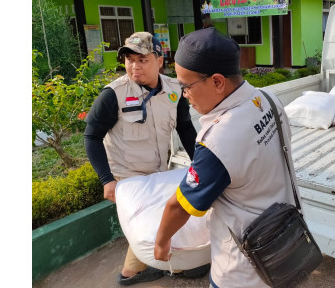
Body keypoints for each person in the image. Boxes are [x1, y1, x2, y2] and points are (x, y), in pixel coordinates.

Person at [152, 27, 302, 287]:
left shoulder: (219, 140)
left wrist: (161, 243)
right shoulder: (267, 98)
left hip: (246, 269)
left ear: (218, 82)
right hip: (286, 235)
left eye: (186, 87)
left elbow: (179, 207)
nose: (184, 96)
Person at [84, 32, 206, 286]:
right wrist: (107, 180)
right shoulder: (113, 95)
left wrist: (200, 163)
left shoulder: (174, 90)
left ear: (159, 61)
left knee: (160, 219)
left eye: (142, 59)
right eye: (129, 60)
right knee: (145, 224)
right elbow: (91, 136)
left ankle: (171, 264)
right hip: (126, 176)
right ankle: (133, 273)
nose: (133, 66)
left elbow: (184, 128)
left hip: (158, 171)